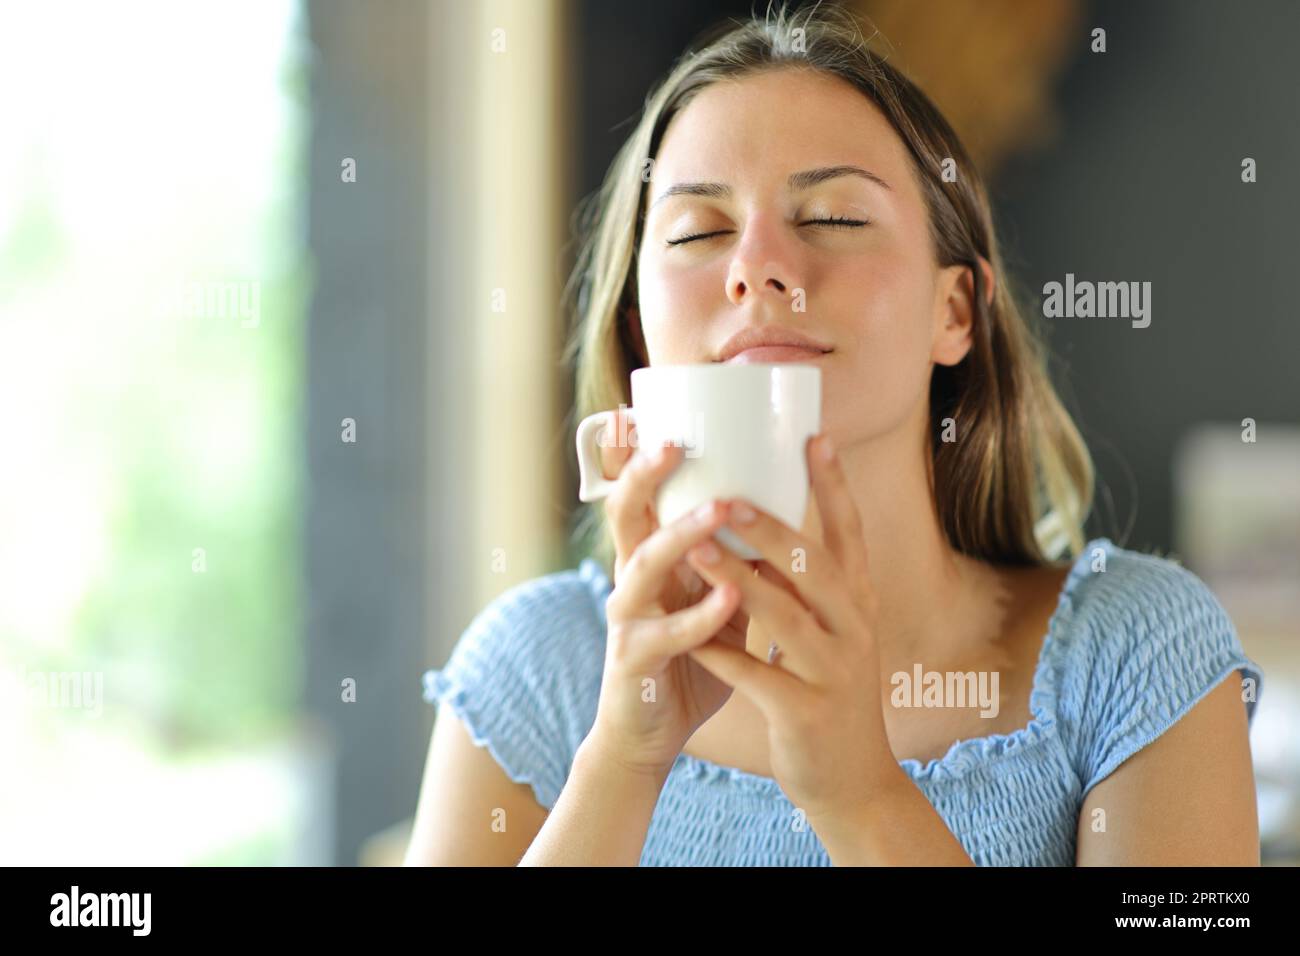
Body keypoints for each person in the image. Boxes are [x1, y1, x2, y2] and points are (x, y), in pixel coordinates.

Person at [404, 2, 1263, 866]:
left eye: (834, 219)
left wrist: (859, 793)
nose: (756, 269)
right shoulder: (531, 671)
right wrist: (623, 761)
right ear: (639, 339)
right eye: (699, 232)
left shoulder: (1141, 656)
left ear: (954, 312)